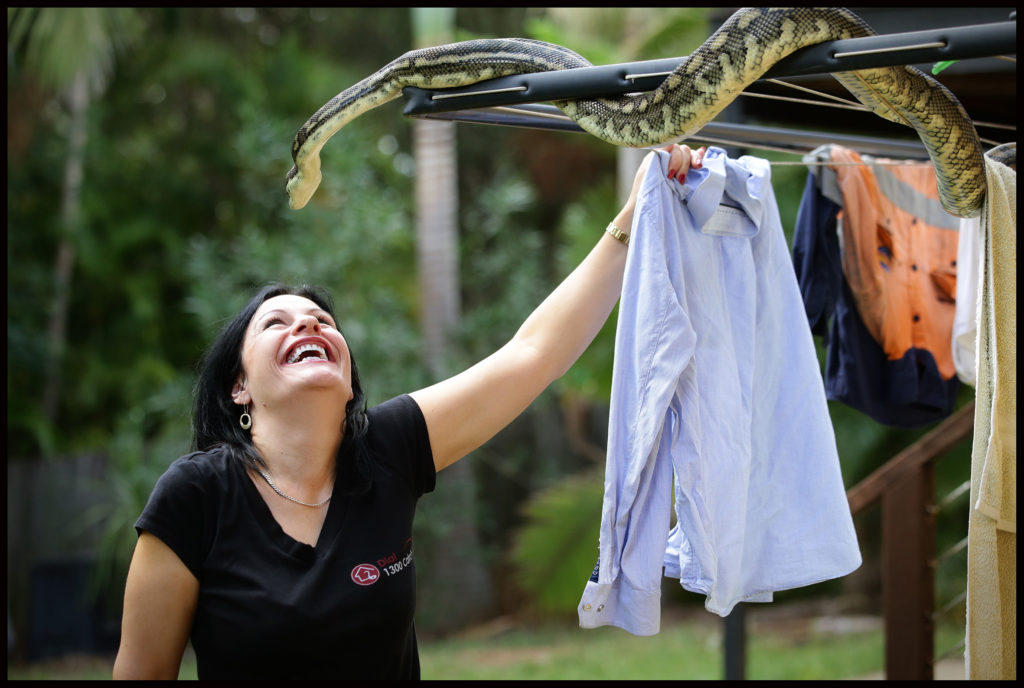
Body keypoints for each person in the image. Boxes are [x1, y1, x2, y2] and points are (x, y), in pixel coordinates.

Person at [112, 144, 704, 680]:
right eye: (278, 323)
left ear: (347, 384)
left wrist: (632, 218)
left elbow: (533, 355)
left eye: (323, 322)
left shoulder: (386, 451)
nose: (309, 325)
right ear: (239, 386)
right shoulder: (195, 498)